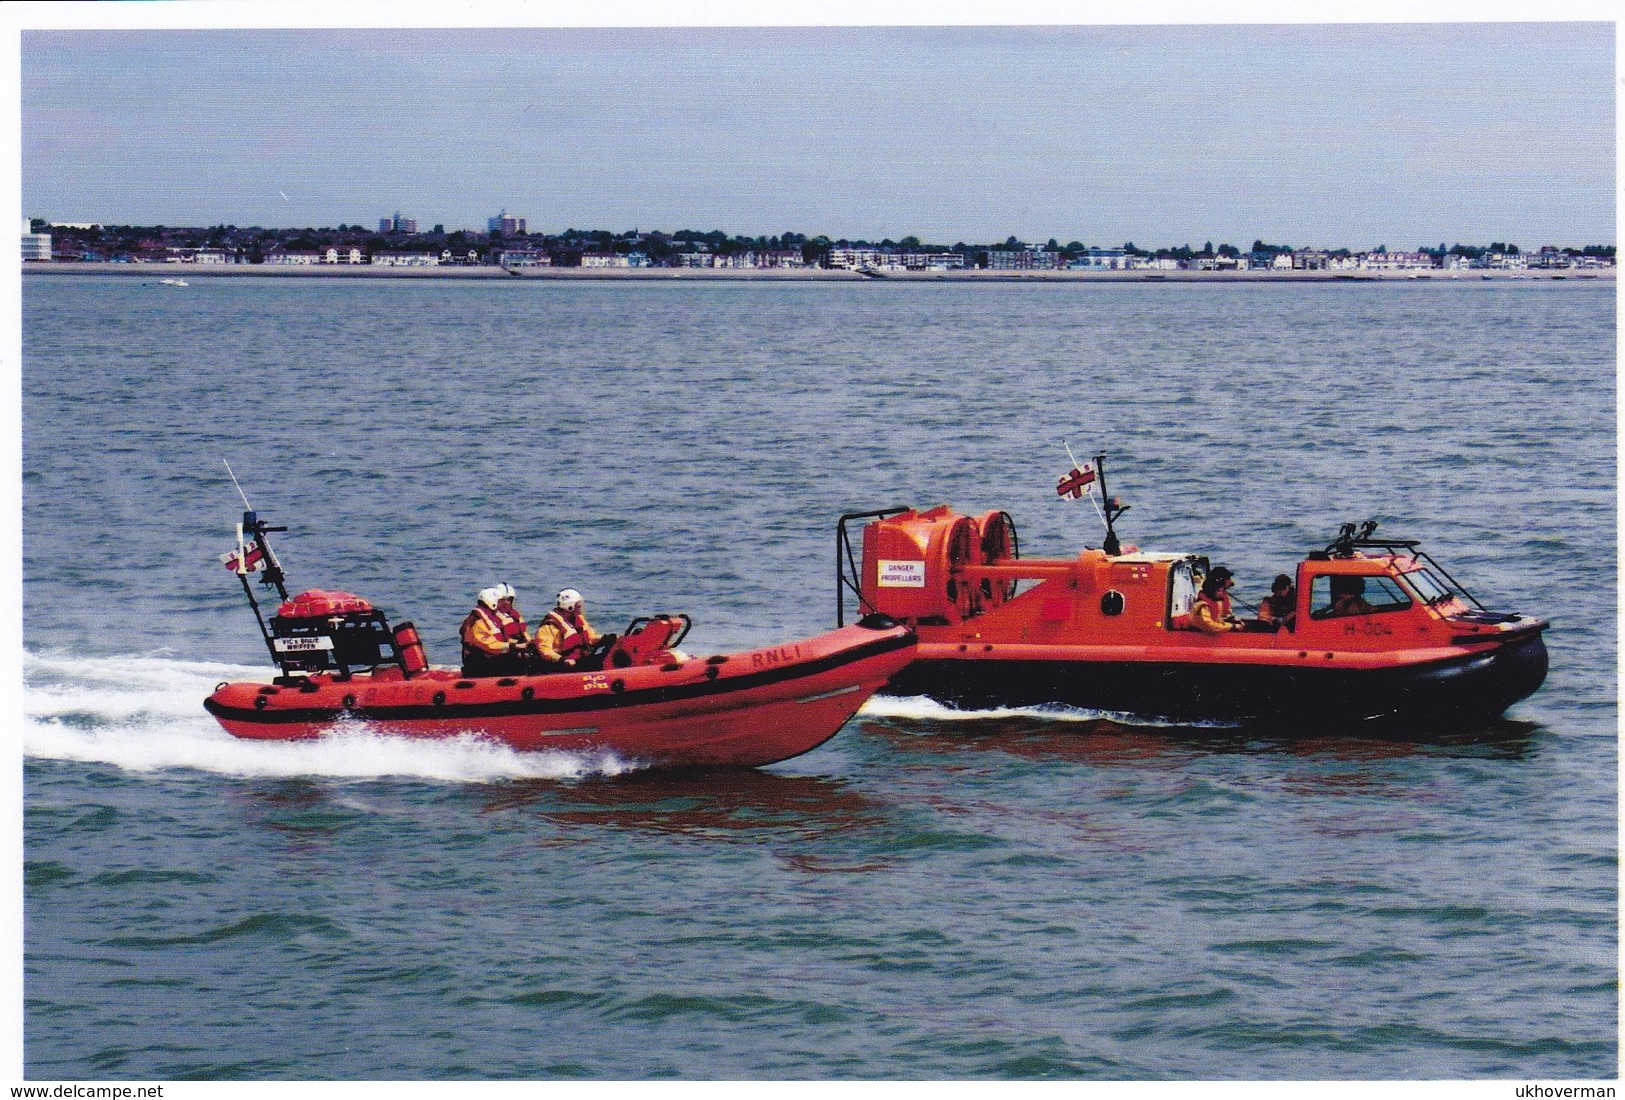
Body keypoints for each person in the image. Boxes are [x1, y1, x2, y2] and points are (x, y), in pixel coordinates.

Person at [460, 586, 529, 676]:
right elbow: (490, 645)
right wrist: (514, 646)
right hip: (478, 662)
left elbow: (501, 639)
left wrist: (525, 644)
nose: (503, 604)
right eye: (499, 602)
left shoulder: (492, 618)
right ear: (491, 602)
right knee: (516, 661)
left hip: (490, 657)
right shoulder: (478, 622)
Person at [534, 588, 602, 670]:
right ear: (570, 606)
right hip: (562, 664)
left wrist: (606, 638)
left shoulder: (578, 619)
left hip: (580, 658)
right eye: (578, 606)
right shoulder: (549, 626)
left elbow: (590, 637)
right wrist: (563, 660)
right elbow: (545, 649)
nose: (581, 608)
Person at [1189, 565, 1241, 634]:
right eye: (1219, 591)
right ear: (1212, 591)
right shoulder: (1202, 606)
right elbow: (1211, 626)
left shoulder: (1218, 600)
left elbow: (1221, 618)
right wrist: (1232, 626)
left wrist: (1232, 621)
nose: (1222, 593)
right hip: (1203, 636)